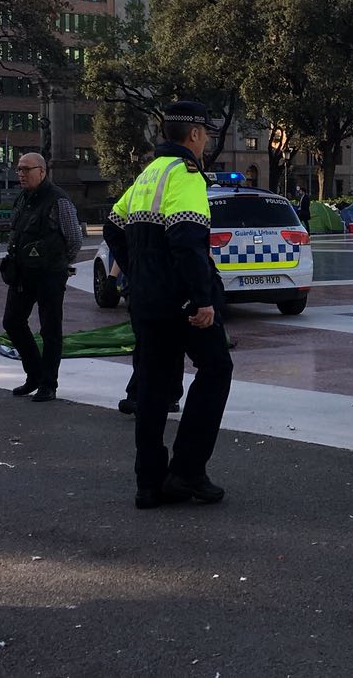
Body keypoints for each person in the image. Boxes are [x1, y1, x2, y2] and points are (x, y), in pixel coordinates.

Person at [105, 101, 235, 508]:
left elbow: (112, 226)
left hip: (146, 302)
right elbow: (187, 242)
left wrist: (137, 273)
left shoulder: (148, 174)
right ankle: (188, 472)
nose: (208, 140)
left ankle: (149, 482)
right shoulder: (186, 175)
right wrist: (202, 299)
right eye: (207, 133)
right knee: (216, 370)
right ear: (194, 134)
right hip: (182, 301)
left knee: (154, 388)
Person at [0, 153, 81, 403]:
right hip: (23, 274)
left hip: (50, 275)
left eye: (26, 169)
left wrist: (58, 264)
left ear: (42, 171)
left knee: (50, 330)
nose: (21, 174)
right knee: (12, 322)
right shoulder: (23, 199)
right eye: (19, 170)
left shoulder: (59, 200)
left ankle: (48, 384)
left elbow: (75, 239)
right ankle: (34, 374)